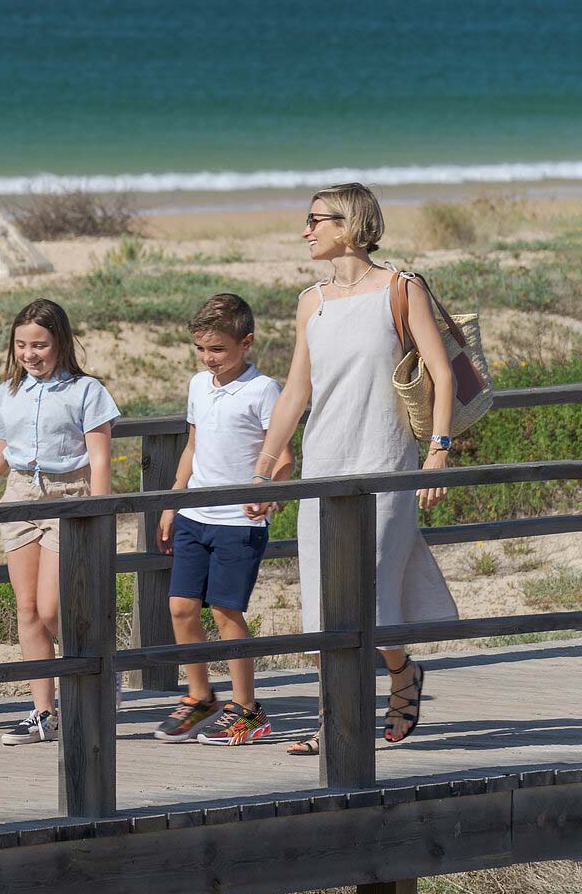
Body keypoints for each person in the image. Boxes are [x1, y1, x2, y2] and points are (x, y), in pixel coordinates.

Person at [249, 183, 457, 757]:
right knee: (321, 605)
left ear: (350, 224)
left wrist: (438, 450)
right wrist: (266, 469)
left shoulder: (400, 288)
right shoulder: (309, 301)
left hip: (386, 463)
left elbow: (441, 372)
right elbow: (296, 390)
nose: (306, 230)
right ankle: (336, 718)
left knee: (373, 596)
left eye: (316, 219)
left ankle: (401, 673)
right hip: (324, 465)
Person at [0, 298, 118, 745]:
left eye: (39, 345)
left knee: (51, 608)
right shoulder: (6, 395)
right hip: (20, 496)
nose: (29, 354)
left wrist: (98, 515)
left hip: (70, 497)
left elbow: (100, 462)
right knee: (26, 611)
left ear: (59, 342)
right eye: (22, 345)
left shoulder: (87, 391)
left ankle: (97, 665)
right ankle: (43, 713)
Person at [154, 293, 285, 746]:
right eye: (201, 350)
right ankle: (200, 696)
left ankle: (247, 708)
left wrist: (266, 494)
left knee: (227, 611)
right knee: (180, 608)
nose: (209, 360)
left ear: (246, 343)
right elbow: (193, 446)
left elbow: (283, 454)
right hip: (194, 513)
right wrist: (173, 501)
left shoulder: (265, 389)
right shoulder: (197, 385)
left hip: (239, 522)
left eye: (218, 350)